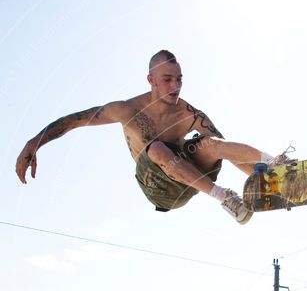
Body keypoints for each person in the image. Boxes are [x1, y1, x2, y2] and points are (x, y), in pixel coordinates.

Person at [15, 49, 292, 224]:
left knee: (212, 144)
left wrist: (266, 180)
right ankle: (225, 198)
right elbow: (76, 120)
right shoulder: (127, 110)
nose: (176, 86)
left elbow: (227, 153)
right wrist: (34, 143)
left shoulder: (190, 114)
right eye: (167, 79)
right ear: (151, 80)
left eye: (179, 79)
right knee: (157, 147)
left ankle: (274, 167)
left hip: (189, 179)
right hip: (158, 190)